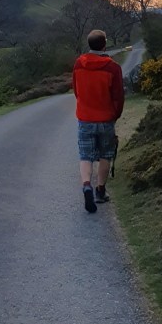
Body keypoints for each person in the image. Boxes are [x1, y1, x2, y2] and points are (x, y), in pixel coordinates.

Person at [72, 29, 124, 213]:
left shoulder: (79, 64)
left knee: (85, 156)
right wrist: (115, 115)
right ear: (104, 45)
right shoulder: (113, 67)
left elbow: (76, 90)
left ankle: (86, 185)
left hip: (85, 118)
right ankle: (100, 191)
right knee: (105, 154)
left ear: (89, 44)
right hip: (105, 119)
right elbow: (118, 97)